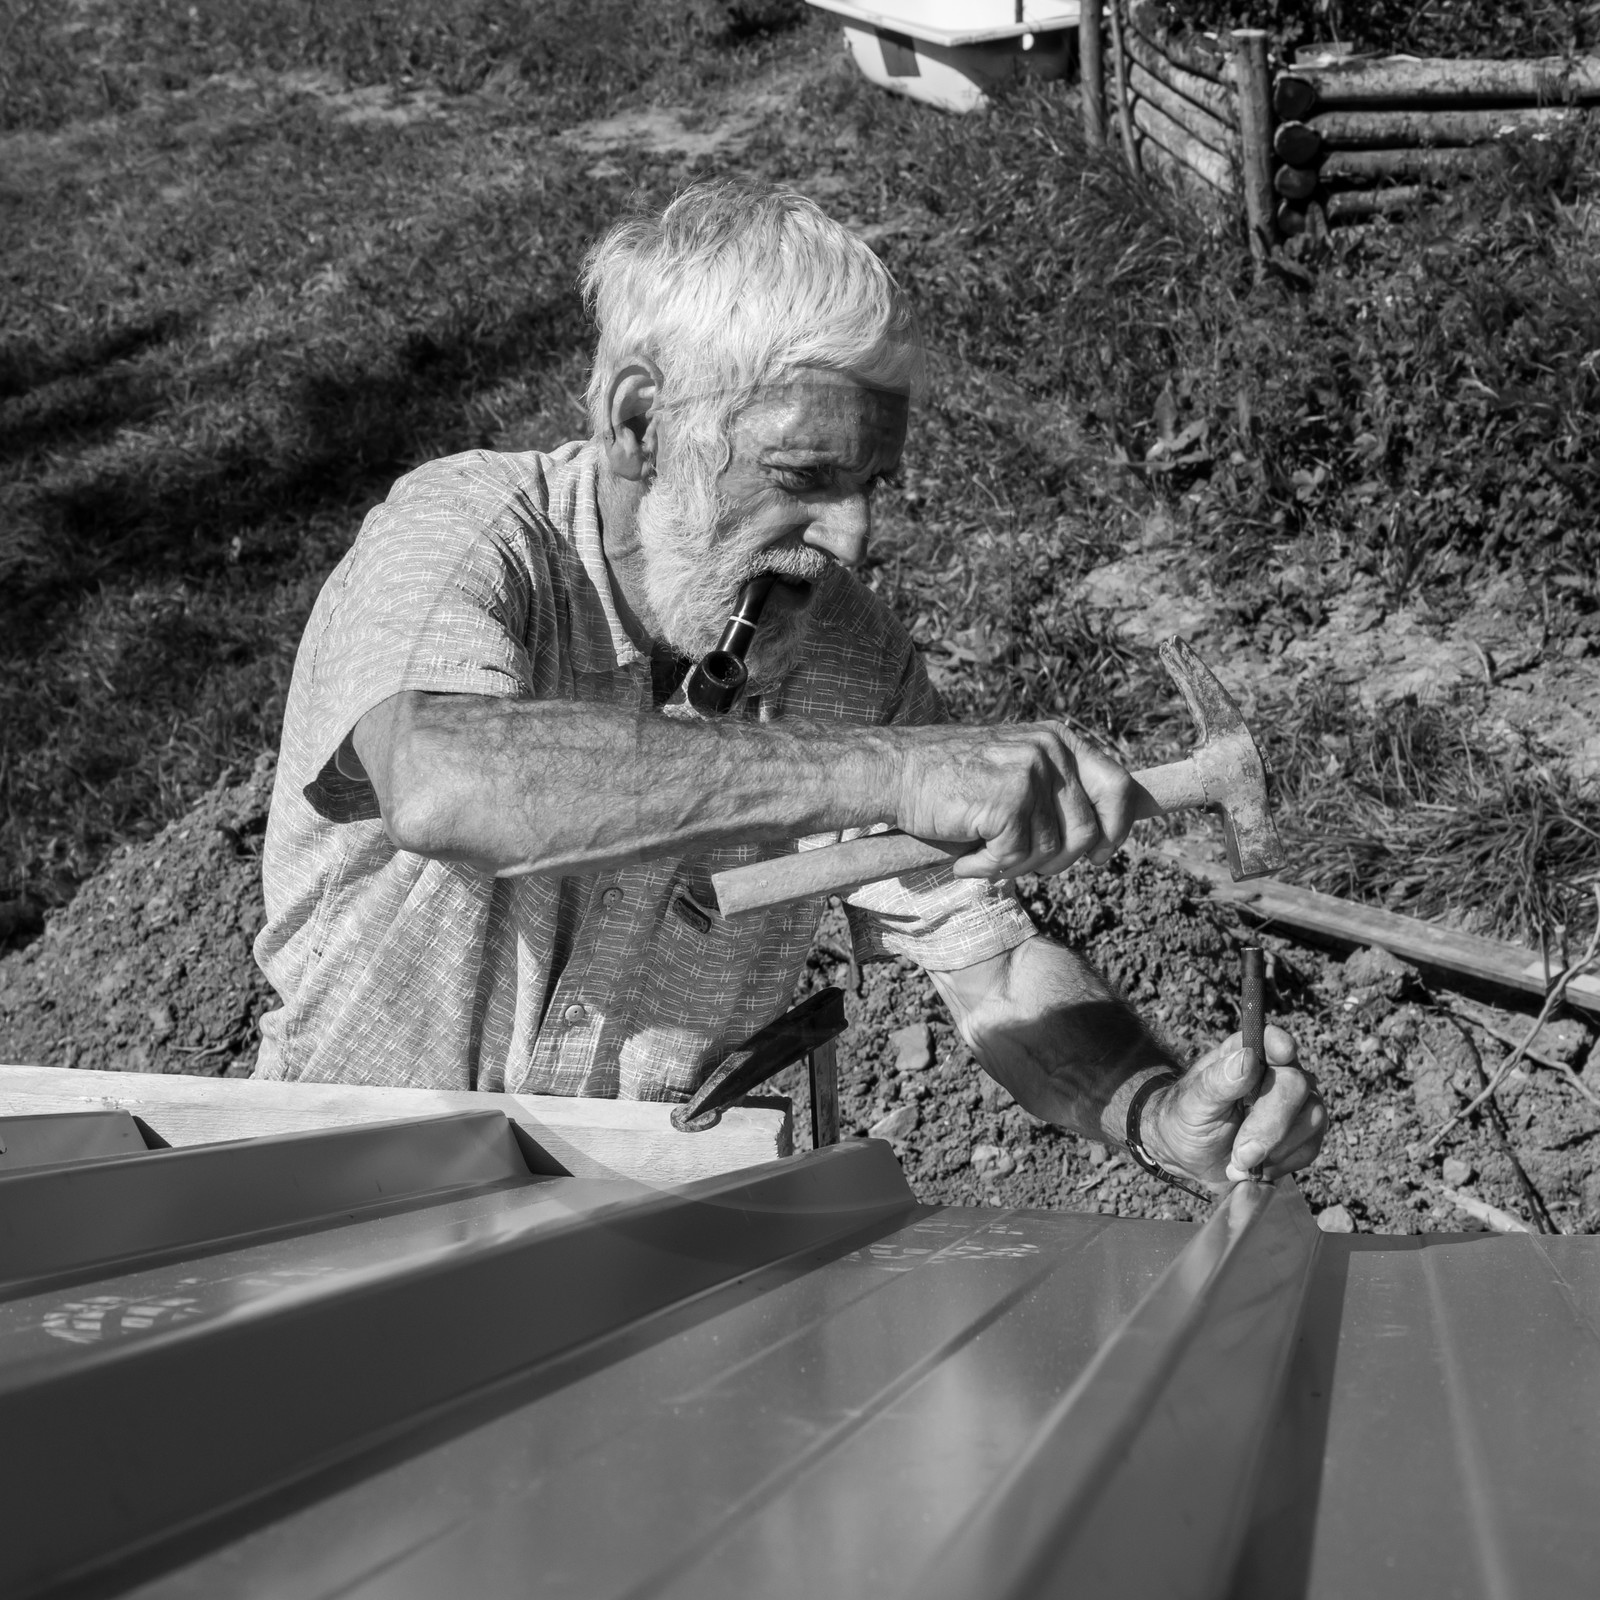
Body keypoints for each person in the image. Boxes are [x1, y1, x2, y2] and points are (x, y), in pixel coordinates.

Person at [254, 179, 1324, 1195]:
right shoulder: (467, 539)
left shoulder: (848, 656)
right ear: (640, 423)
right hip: (338, 1195)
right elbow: (445, 783)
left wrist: (1148, 1108)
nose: (854, 536)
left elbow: (989, 963)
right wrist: (884, 772)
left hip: (638, 1235)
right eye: (805, 479)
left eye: (870, 486)